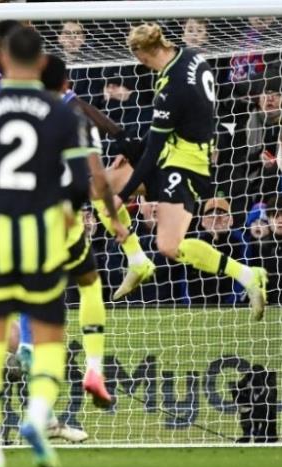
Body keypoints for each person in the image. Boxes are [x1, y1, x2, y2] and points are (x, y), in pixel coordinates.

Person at [0, 27, 90, 467]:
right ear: (43, 61)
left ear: (2, 56)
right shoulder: (62, 110)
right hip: (41, 233)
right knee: (44, 332)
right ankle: (40, 417)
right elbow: (81, 181)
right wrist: (67, 214)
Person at [104, 22, 267, 319]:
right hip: (178, 152)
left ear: (142, 54)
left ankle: (246, 274)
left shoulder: (171, 89)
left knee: (168, 245)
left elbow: (152, 153)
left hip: (184, 164)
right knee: (98, 186)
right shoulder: (192, 56)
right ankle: (137, 259)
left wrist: (124, 196)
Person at [41, 53, 128, 407]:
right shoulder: (78, 120)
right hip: (66, 222)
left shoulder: (12, 114)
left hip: (20, 223)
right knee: (90, 286)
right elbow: (98, 180)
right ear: (66, 84)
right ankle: (94, 368)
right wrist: (115, 219)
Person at [184, 196, 247, 304]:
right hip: (197, 308)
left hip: (231, 309)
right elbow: (183, 280)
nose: (216, 217)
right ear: (203, 221)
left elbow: (244, 278)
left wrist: (230, 303)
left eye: (221, 213)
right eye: (210, 214)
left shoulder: (240, 243)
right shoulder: (194, 245)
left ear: (231, 220)